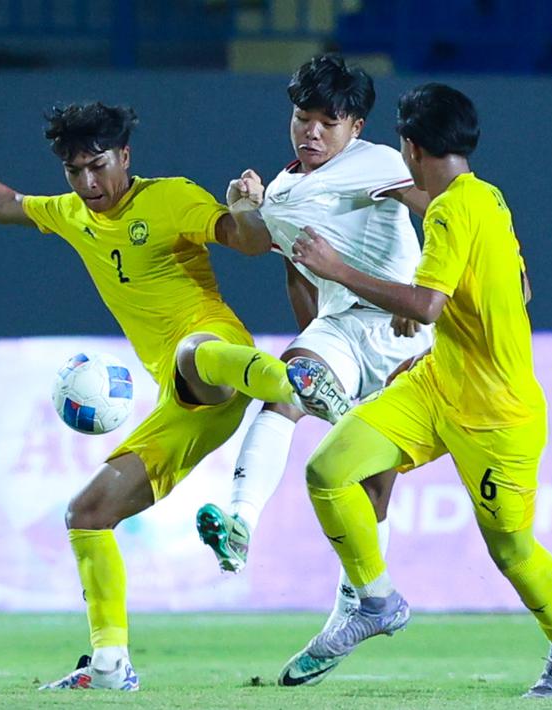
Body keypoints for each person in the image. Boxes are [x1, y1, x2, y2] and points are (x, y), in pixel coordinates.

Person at [0, 103, 300, 691]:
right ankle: (108, 666)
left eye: (98, 166)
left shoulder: (170, 198)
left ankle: (296, 384)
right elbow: (2, 202)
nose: (89, 183)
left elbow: (248, 242)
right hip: (186, 407)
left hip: (221, 358)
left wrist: (249, 206)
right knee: (88, 514)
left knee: (190, 353)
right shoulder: (74, 215)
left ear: (124, 156)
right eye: (75, 172)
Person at [289, 83, 552, 696]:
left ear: (410, 146)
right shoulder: (485, 199)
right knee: (329, 470)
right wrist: (440, 319)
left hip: (497, 416)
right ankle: (375, 600)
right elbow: (519, 290)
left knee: (511, 552)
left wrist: (337, 269)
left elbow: (427, 304)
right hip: (435, 387)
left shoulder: (456, 210)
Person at [190, 55, 433, 682]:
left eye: (328, 121)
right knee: (287, 382)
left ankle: (355, 609)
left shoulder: (377, 162)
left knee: (368, 491)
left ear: (355, 126)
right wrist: (252, 212)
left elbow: (440, 205)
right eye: (303, 118)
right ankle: (240, 522)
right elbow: (302, 283)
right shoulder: (283, 189)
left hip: (403, 326)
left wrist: (426, 291)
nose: (312, 132)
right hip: (342, 327)